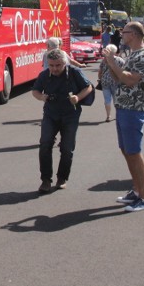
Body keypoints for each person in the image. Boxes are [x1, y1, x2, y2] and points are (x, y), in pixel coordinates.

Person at [102, 21, 144, 213]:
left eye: (124, 32)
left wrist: (111, 61)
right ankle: (136, 190)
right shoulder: (133, 54)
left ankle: (143, 197)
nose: (121, 35)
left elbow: (129, 79)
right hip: (124, 107)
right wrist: (111, 64)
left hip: (134, 109)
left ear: (133, 34)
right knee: (126, 150)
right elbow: (119, 78)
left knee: (134, 152)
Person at [32, 48, 93, 193]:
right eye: (51, 65)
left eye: (58, 65)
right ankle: (45, 180)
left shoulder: (74, 72)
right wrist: (41, 97)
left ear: (64, 63)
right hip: (50, 114)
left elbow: (88, 87)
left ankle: (62, 178)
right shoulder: (44, 75)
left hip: (70, 115)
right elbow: (35, 91)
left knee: (67, 148)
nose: (54, 68)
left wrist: (78, 97)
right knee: (45, 144)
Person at [98, 44, 124, 123]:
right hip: (116, 81)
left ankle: (108, 115)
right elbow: (123, 71)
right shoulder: (120, 60)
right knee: (116, 100)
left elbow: (100, 71)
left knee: (107, 100)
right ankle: (118, 115)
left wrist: (100, 78)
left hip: (105, 81)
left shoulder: (104, 60)